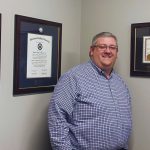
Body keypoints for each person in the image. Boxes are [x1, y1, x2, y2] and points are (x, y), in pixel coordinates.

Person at [48, 32, 132, 150]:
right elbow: (57, 119)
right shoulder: (73, 78)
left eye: (112, 47)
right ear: (92, 50)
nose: (108, 51)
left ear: (116, 53)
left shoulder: (120, 83)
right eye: (102, 47)